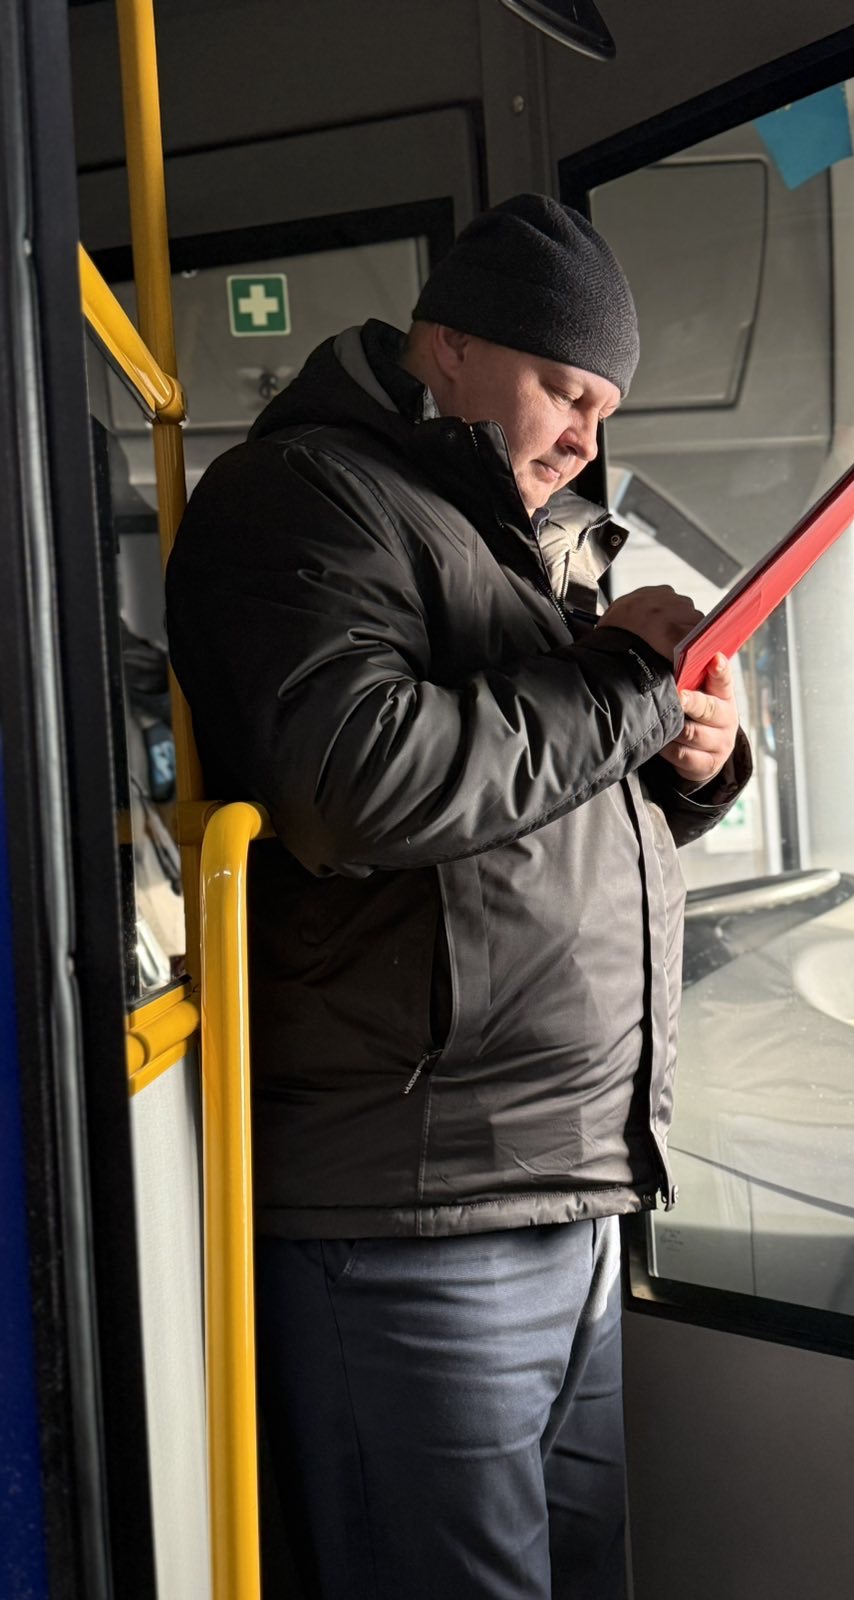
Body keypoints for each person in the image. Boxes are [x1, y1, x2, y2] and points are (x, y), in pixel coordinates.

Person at [165, 193, 750, 1600]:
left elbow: (517, 805)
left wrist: (688, 763)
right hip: (415, 1209)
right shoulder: (301, 497)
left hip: (561, 1183)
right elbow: (358, 779)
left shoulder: (505, 537)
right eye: (565, 388)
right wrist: (625, 685)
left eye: (605, 408)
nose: (586, 439)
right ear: (449, 347)